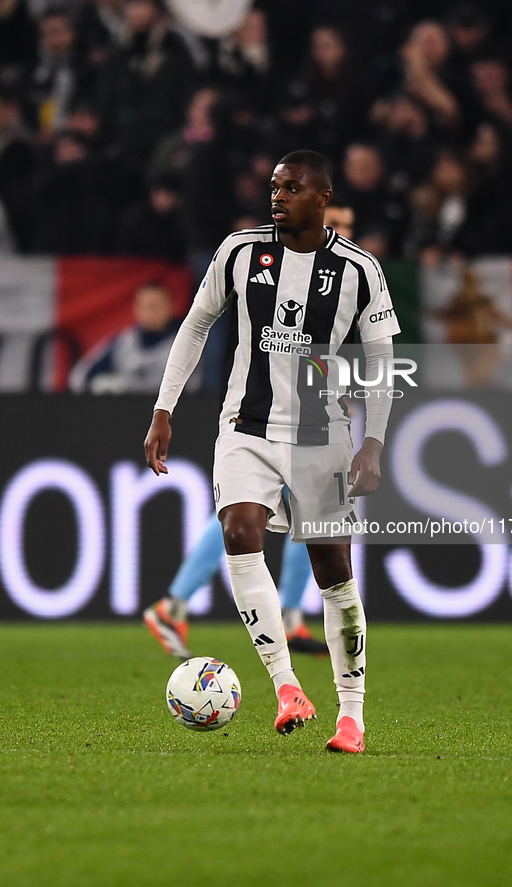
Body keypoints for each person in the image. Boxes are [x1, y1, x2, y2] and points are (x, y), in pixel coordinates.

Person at [143, 150, 400, 753]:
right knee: (239, 530)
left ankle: (352, 716)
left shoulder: (360, 270)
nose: (276, 196)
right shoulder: (237, 253)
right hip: (245, 424)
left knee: (334, 573)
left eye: (290, 188)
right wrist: (164, 407)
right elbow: (196, 324)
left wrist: (373, 444)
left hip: (321, 433)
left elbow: (383, 361)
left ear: (322, 196)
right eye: (273, 187)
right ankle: (287, 688)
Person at [143, 200, 358, 660]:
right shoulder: (267, 262)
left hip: (317, 407)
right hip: (261, 406)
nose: (340, 234)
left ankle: (282, 614)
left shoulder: (351, 274)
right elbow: (214, 323)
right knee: (253, 511)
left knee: (303, 509)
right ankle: (178, 603)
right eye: (336, 223)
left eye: (348, 227)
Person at [70, 281, 200, 393]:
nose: (149, 313)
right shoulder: (123, 342)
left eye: (155, 306)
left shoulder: (185, 344)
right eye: (144, 307)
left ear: (169, 307)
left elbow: (193, 387)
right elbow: (80, 377)